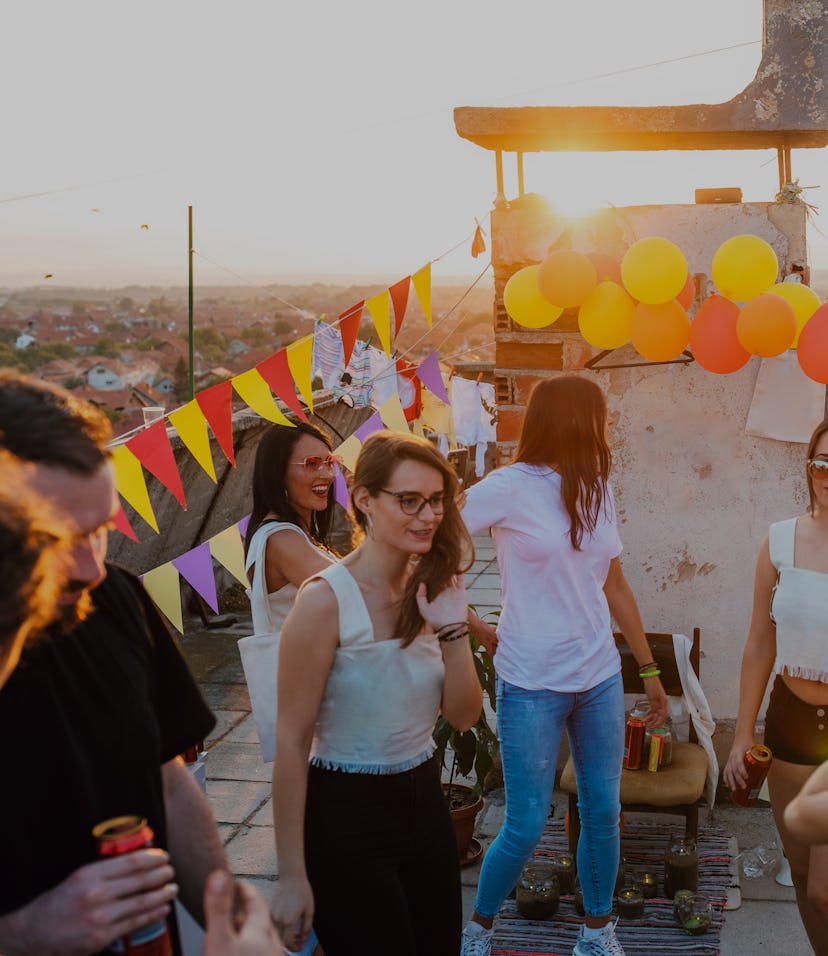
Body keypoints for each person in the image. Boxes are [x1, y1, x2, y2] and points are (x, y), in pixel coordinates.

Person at [0, 372, 224, 956]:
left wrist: (226, 914)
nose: (89, 569)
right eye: (55, 540)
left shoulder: (115, 599)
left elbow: (166, 776)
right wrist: (23, 932)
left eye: (98, 532)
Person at [457, 376, 668, 956]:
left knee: (604, 811)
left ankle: (597, 934)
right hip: (530, 681)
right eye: (602, 417)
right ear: (577, 420)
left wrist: (647, 670)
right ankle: (477, 930)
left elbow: (615, 584)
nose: (608, 429)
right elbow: (433, 538)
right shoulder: (508, 486)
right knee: (524, 824)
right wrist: (473, 624)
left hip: (598, 675)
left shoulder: (597, 486)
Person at [271, 429, 483, 956]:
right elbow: (292, 743)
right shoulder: (324, 602)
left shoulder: (427, 587)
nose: (428, 515)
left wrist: (454, 630)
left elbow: (461, 717)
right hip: (346, 815)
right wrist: (292, 876)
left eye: (435, 500)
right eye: (408, 501)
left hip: (424, 803)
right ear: (364, 500)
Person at [724, 418, 828, 954]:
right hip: (787, 723)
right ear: (808, 467)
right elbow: (760, 642)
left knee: (825, 887)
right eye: (821, 463)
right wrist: (743, 733)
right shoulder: (780, 540)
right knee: (805, 878)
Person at [241, 421, 341, 956]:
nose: (325, 473)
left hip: (315, 710)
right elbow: (351, 590)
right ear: (278, 474)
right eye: (311, 464)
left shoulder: (295, 533)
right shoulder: (281, 538)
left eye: (330, 462)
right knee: (321, 862)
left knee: (321, 855)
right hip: (312, 715)